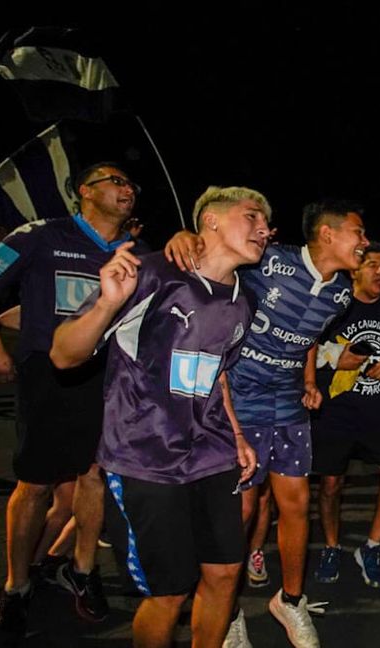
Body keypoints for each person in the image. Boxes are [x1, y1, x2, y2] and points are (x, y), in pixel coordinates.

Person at [50, 185, 267, 648]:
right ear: (210, 220)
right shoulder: (150, 273)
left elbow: (217, 375)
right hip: (145, 457)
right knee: (169, 592)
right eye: (253, 217)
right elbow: (63, 355)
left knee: (226, 572)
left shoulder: (242, 303)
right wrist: (108, 301)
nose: (265, 229)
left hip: (211, 454)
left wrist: (237, 435)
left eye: (266, 223)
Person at [166, 198, 369, 648]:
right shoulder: (270, 261)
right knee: (242, 510)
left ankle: (291, 601)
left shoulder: (341, 294)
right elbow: (214, 261)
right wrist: (185, 238)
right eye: (359, 232)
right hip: (240, 397)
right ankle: (228, 609)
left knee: (296, 502)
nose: (365, 242)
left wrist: (310, 378)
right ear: (328, 234)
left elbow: (311, 339)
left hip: (288, 402)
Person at [0, 162, 142, 646]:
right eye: (116, 181)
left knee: (92, 476)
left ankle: (82, 570)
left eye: (131, 184)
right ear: (85, 190)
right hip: (47, 375)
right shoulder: (43, 235)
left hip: (106, 378)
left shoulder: (136, 252)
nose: (128, 189)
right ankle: (16, 587)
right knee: (36, 484)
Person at [310, 242, 380, 588]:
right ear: (354, 270)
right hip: (335, 410)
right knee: (330, 484)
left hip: (378, 410)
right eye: (371, 265)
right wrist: (334, 357)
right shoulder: (335, 303)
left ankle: (371, 546)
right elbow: (307, 345)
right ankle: (330, 546)